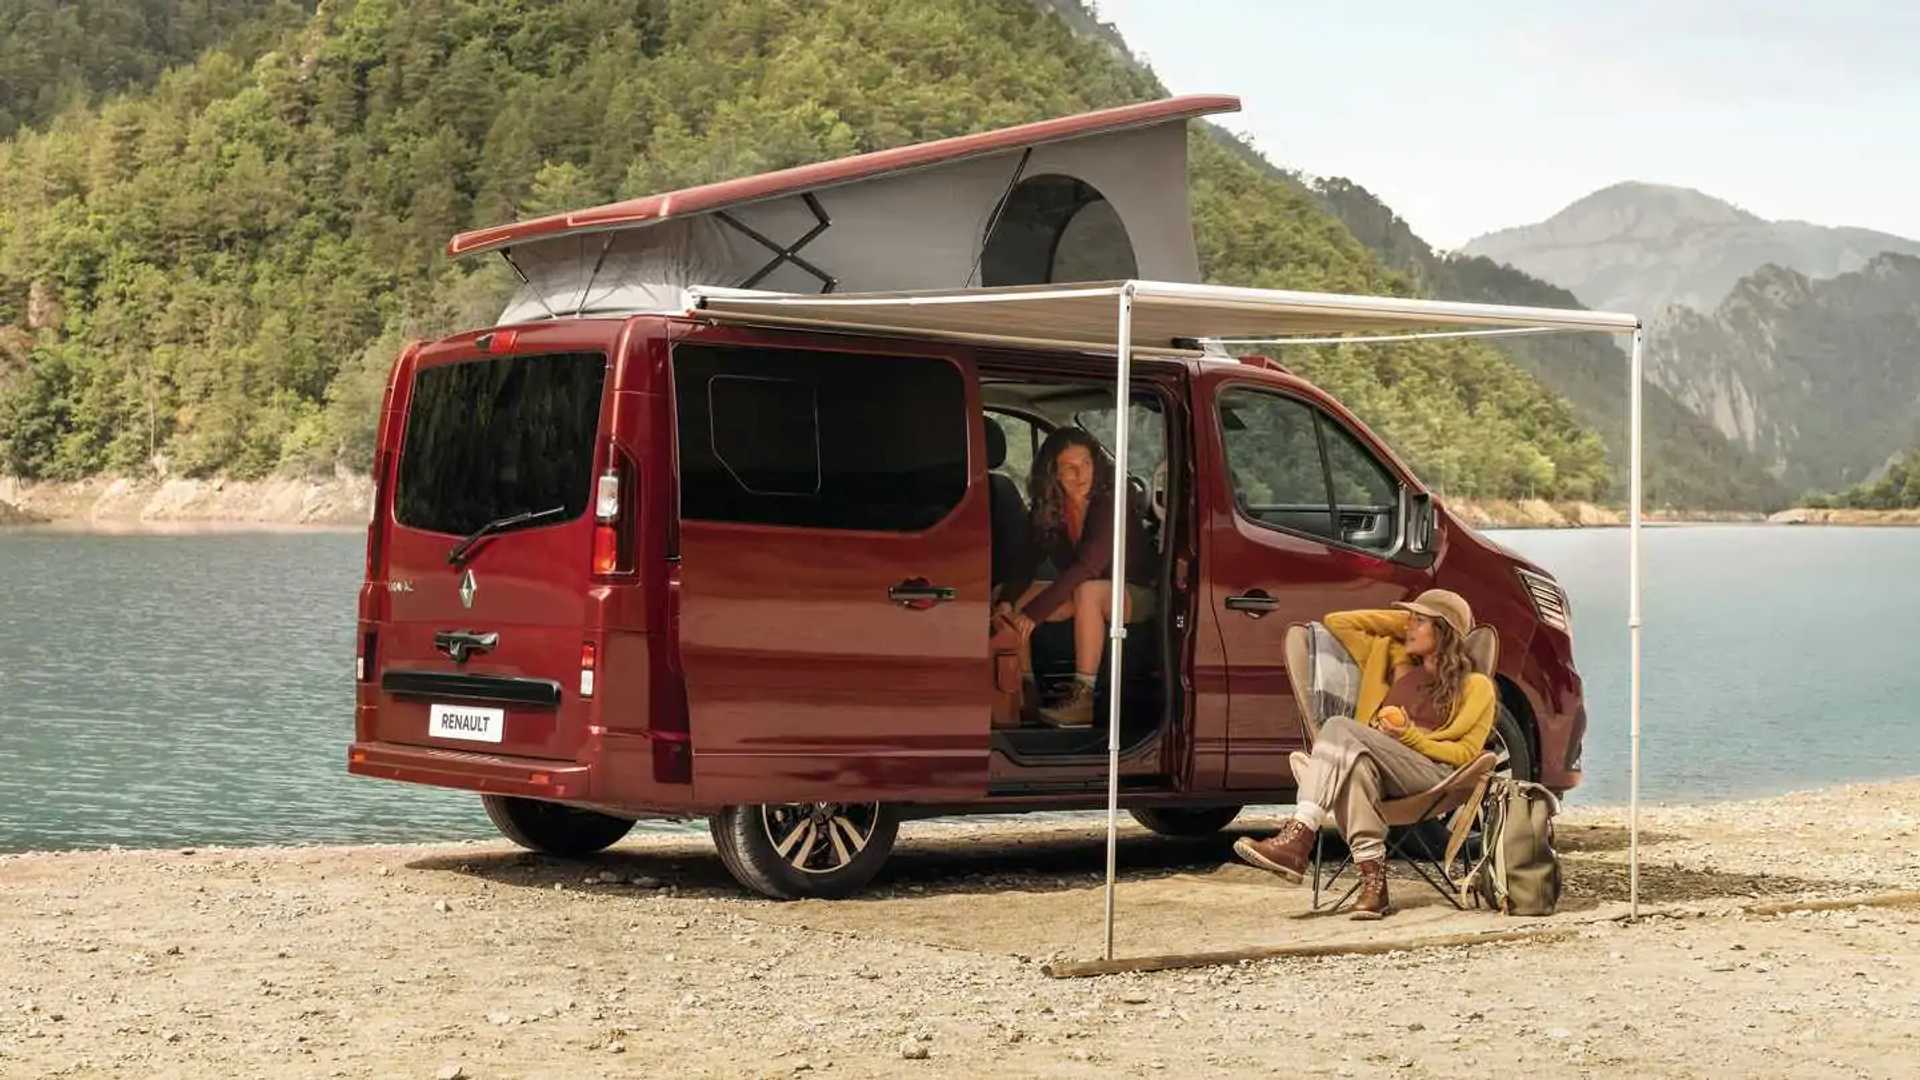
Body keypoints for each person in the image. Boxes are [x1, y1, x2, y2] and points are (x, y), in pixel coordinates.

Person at [1232, 589, 1494, 919]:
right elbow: (1338, 622)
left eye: (1420, 621)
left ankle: (1299, 837)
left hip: (1434, 774)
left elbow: (1465, 753)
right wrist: (1408, 622)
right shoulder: (1390, 658)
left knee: (1339, 727)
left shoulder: (1475, 685)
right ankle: (1374, 886)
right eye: (1408, 619)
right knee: (1355, 768)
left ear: (1444, 631)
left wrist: (1410, 737)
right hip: (1379, 764)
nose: (1409, 626)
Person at [993, 427, 1154, 728]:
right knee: (1011, 599)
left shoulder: (1110, 501)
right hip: (1085, 591)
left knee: (1087, 591)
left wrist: (1034, 614)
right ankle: (1023, 693)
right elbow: (1027, 563)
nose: (1081, 475)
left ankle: (1083, 699)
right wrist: (1006, 600)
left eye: (1086, 464)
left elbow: (1088, 566)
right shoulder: (1051, 508)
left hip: (1137, 593)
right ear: (1053, 473)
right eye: (1069, 468)